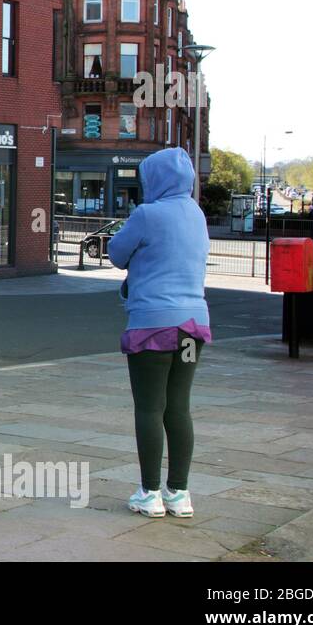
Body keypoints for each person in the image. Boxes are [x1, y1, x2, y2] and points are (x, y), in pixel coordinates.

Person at [107, 148, 211, 519]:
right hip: (191, 331)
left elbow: (116, 253)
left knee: (150, 407)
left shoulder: (148, 214)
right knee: (178, 405)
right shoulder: (197, 216)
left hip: (153, 328)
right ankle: (179, 494)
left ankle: (149, 493)